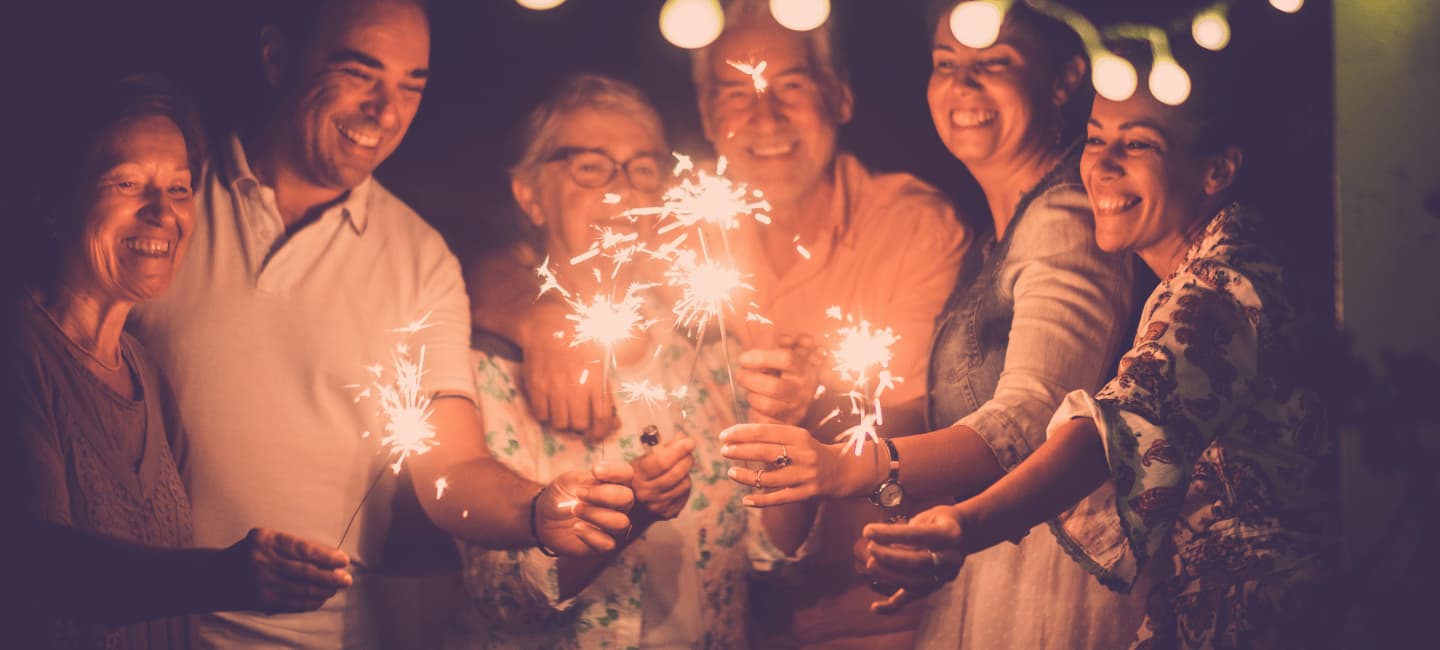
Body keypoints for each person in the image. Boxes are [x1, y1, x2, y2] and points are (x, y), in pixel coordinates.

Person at [128, 2, 635, 647]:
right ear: (277, 57)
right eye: (359, 73)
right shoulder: (165, 200)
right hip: (137, 622)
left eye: (410, 86)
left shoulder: (419, 260)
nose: (385, 111)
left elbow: (451, 466)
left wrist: (538, 510)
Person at [859, 42, 1339, 649]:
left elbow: (1111, 436)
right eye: (1095, 139)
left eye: (1137, 143)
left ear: (1216, 170)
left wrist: (962, 523)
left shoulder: (1221, 286)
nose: (1103, 167)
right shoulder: (1205, 267)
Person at [719, 2, 1148, 647]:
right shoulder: (1006, 231)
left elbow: (1033, 416)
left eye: (993, 64)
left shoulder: (1064, 221)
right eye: (945, 64)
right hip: (990, 568)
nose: (963, 86)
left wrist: (847, 467)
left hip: (1047, 582)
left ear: (1063, 79)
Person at [3, 73, 352, 649]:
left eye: (180, 188)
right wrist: (222, 577)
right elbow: (36, 566)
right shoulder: (20, 351)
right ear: (55, 201)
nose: (163, 212)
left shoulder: (147, 376)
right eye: (127, 183)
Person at [448, 73, 756, 649]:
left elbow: (768, 554)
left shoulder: (710, 351)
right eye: (591, 167)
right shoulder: (482, 364)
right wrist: (630, 514)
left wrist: (790, 425)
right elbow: (502, 600)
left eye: (643, 170)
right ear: (529, 195)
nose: (623, 192)